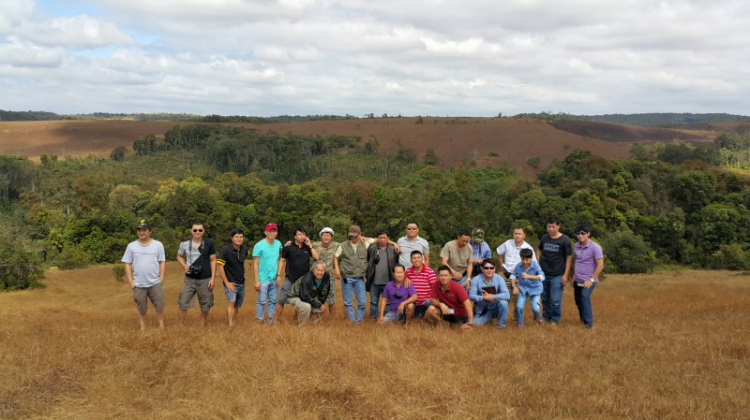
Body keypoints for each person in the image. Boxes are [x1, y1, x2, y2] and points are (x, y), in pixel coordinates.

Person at [122, 219, 166, 331]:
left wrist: (161, 279)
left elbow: (162, 262)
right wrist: (131, 283)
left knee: (159, 306)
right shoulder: (131, 246)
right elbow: (127, 264)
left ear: (150, 231)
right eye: (139, 230)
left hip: (155, 283)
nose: (141, 232)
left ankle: (161, 325)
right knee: (141, 308)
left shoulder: (158, 245)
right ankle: (143, 327)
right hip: (139, 284)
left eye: (144, 230)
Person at [176, 222, 217, 326]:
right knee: (183, 302)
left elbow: (213, 260)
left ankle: (203, 324)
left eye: (200, 230)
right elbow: (179, 256)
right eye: (195, 230)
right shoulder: (184, 244)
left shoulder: (209, 243)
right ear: (191, 231)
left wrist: (213, 278)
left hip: (205, 278)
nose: (197, 232)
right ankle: (181, 325)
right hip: (189, 279)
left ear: (203, 231)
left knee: (206, 304)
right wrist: (184, 266)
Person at [276, 227, 319, 320]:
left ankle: (297, 319)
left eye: (304, 234)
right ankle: (276, 320)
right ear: (294, 236)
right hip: (290, 278)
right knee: (281, 299)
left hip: (303, 280)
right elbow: (282, 260)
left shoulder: (307, 247)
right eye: (300, 234)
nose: (302, 236)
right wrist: (278, 275)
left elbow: (316, 257)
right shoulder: (288, 247)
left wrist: (310, 244)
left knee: (301, 299)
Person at [537, 217, 573, 324]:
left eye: (553, 227)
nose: (551, 229)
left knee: (556, 300)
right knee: (545, 298)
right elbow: (539, 249)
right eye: (549, 226)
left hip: (557, 274)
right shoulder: (544, 238)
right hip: (543, 273)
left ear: (558, 226)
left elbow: (569, 257)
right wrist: (538, 265)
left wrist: (566, 275)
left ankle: (556, 320)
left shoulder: (565, 240)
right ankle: (547, 318)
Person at [338, 225, 374, 322]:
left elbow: (381, 239)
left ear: (360, 234)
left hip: (360, 278)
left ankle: (358, 320)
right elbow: (335, 257)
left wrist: (394, 244)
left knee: (362, 302)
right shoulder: (343, 245)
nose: (353, 238)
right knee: (348, 302)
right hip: (347, 277)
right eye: (351, 236)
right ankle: (352, 322)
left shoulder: (366, 242)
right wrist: (337, 271)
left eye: (355, 236)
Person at [572, 225, 604, 329]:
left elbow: (600, 265)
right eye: (578, 234)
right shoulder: (576, 246)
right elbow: (577, 261)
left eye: (583, 233)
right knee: (578, 300)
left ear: (588, 234)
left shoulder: (595, 247)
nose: (580, 236)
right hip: (577, 279)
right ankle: (583, 320)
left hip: (589, 280)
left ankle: (588, 324)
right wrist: (573, 276)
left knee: (585, 297)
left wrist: (591, 280)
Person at [217, 229, 249, 327]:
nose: (239, 239)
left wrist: (243, 275)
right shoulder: (225, 251)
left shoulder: (244, 249)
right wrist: (226, 282)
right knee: (231, 301)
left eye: (241, 237)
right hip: (231, 282)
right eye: (236, 237)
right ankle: (230, 324)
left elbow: (242, 262)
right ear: (232, 238)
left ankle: (234, 322)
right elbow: (220, 266)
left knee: (237, 305)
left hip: (241, 282)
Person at [252, 223, 282, 324]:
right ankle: (259, 320)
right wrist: (256, 281)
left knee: (273, 301)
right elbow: (255, 264)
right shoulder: (259, 245)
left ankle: (271, 321)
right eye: (270, 231)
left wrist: (278, 275)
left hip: (273, 278)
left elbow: (281, 259)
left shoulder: (278, 244)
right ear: (265, 232)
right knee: (261, 301)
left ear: (277, 233)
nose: (272, 233)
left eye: (274, 231)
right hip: (262, 279)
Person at [366, 229, 399, 320]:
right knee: (373, 302)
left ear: (388, 238)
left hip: (388, 281)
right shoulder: (372, 248)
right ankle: (373, 318)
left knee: (388, 301)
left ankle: (386, 319)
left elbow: (397, 263)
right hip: (374, 280)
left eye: (385, 237)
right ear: (377, 238)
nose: (382, 240)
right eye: (380, 237)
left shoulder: (393, 249)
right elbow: (368, 261)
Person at [286, 261, 332, 325]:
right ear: (313, 270)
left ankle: (312, 326)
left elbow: (325, 291)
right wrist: (319, 305)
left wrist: (321, 304)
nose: (320, 272)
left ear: (325, 271)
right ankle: (302, 327)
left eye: (322, 270)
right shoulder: (307, 279)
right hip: (295, 296)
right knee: (306, 306)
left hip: (307, 296)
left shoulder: (326, 276)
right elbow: (304, 297)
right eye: (318, 270)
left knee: (319, 308)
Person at [468, 258, 510, 329]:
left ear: (494, 268)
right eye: (486, 268)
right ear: (482, 269)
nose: (489, 270)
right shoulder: (476, 279)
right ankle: (487, 319)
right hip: (483, 308)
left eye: (491, 268)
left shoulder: (499, 279)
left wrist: (492, 296)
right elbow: (471, 296)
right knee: (476, 324)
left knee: (504, 303)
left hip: (496, 306)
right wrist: (483, 298)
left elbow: (507, 295)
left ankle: (501, 325)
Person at [510, 248, 545, 327]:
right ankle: (520, 325)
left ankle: (538, 318)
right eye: (523, 259)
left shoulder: (535, 265)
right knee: (519, 306)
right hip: (522, 289)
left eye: (527, 259)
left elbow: (542, 277)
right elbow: (512, 275)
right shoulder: (518, 265)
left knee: (535, 308)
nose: (525, 262)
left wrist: (529, 276)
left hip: (535, 288)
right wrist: (514, 286)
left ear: (531, 258)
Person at [311, 227, 341, 316]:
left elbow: (349, 243)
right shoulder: (315, 245)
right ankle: (316, 316)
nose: (326, 237)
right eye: (324, 235)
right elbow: (302, 242)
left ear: (331, 237)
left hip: (329, 277)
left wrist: (361, 237)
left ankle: (333, 319)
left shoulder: (337, 245)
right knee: (316, 297)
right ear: (321, 236)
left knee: (331, 299)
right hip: (316, 277)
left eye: (328, 235)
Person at [404, 250, 437, 319]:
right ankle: (408, 324)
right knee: (409, 306)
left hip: (426, 302)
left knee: (431, 304)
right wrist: (405, 278)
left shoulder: (430, 272)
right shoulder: (408, 271)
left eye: (418, 257)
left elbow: (435, 288)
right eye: (414, 258)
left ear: (422, 259)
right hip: (413, 302)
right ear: (411, 260)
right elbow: (403, 280)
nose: (416, 260)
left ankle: (424, 315)